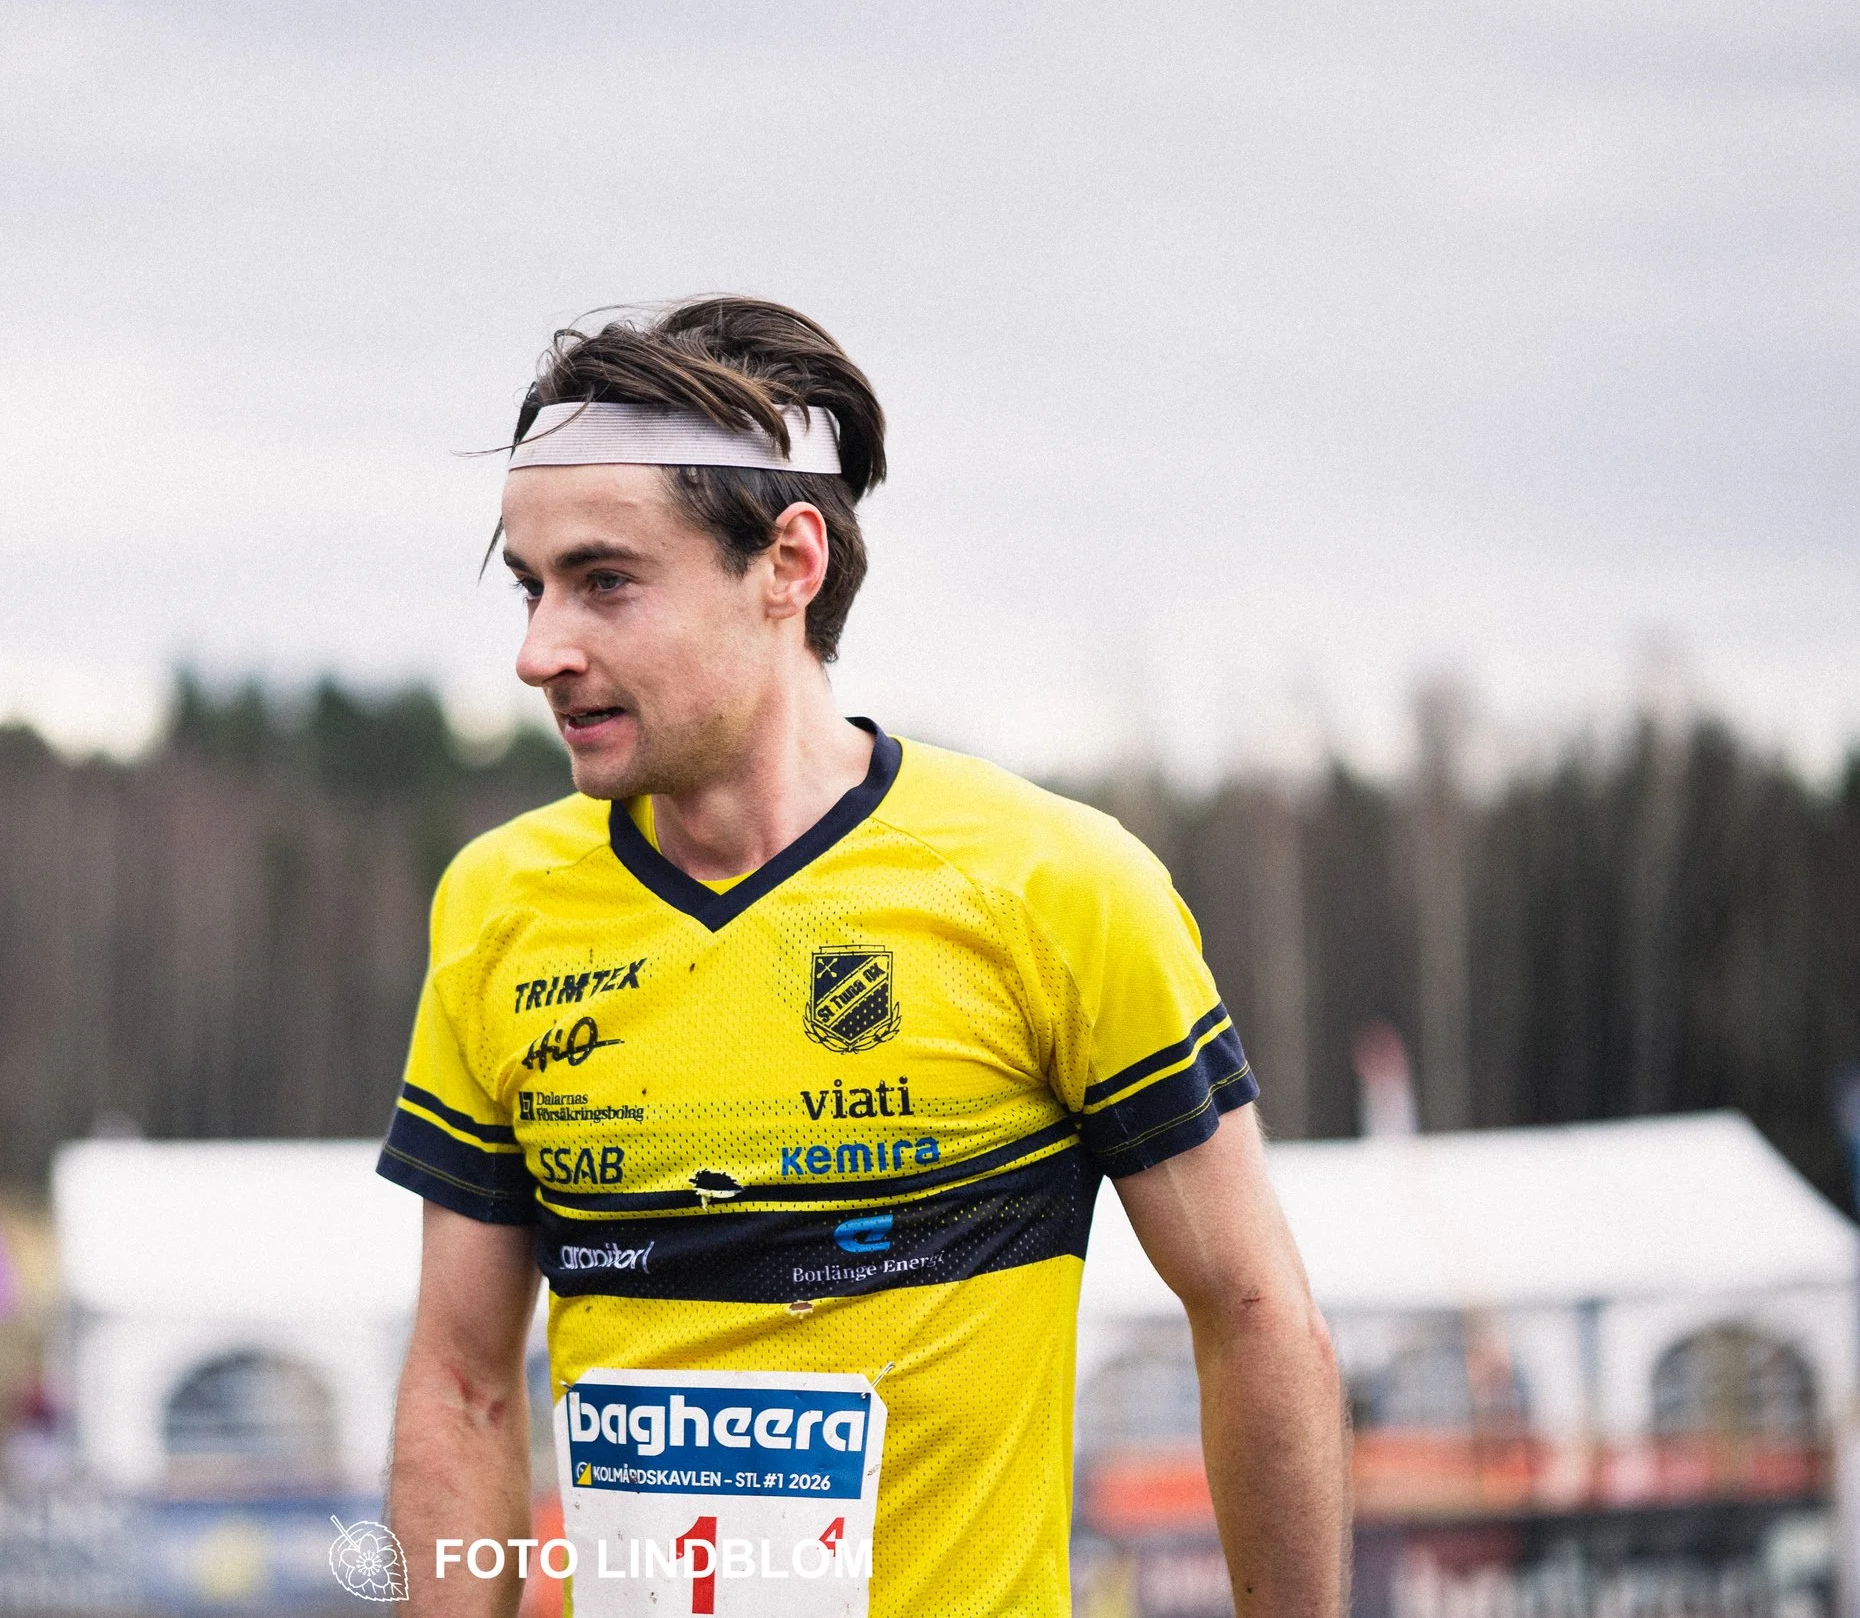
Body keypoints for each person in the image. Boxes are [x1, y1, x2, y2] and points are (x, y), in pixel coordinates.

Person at [377, 298, 1347, 1616]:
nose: (540, 648)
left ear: (789, 560)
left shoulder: (1054, 886)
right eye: (531, 584)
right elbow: (464, 1382)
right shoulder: (498, 905)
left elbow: (1255, 1311)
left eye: (604, 579)